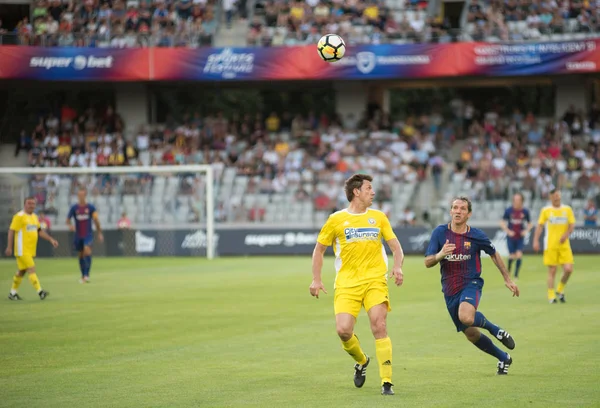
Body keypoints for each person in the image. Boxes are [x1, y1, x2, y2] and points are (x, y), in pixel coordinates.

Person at [310, 173, 404, 396]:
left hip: (375, 280)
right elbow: (319, 250)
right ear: (356, 192)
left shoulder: (379, 217)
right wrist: (316, 279)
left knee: (379, 325)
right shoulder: (336, 220)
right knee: (343, 331)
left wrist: (398, 266)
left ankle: (387, 382)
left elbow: (396, 247)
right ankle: (362, 361)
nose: (373, 192)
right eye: (369, 188)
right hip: (347, 283)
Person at [424, 196, 520, 375]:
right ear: (450, 211)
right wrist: (440, 254)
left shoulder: (476, 235)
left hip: (471, 283)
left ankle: (496, 330)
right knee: (472, 334)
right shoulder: (440, 233)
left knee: (466, 317)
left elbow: (493, 253)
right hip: (450, 290)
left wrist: (507, 279)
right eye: (455, 207)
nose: (458, 211)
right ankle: (503, 358)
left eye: (462, 208)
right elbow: (428, 262)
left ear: (469, 214)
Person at [5, 197, 59, 300]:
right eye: (29, 203)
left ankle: (12, 293)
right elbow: (11, 231)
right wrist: (9, 246)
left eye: (33, 204)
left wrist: (51, 239)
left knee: (22, 271)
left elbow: (39, 231)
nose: (31, 205)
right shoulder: (19, 216)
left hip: (30, 250)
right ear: (25, 204)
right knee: (31, 268)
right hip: (22, 249)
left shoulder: (34, 217)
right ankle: (40, 292)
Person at [532, 189, 575, 303]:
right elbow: (540, 226)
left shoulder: (567, 209)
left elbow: (571, 225)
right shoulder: (546, 210)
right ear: (550, 198)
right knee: (552, 270)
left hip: (564, 245)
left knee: (568, 269)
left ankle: (560, 289)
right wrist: (536, 240)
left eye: (558, 195)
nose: (556, 198)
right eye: (554, 196)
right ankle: (551, 295)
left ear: (560, 196)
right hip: (550, 244)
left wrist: (565, 235)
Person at [67, 188, 104, 283]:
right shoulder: (74, 208)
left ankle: (87, 275)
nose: (81, 197)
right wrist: (70, 226)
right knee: (80, 254)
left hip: (88, 234)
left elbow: (96, 220)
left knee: (87, 251)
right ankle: (83, 275)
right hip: (78, 235)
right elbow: (67, 220)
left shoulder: (91, 207)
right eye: (79, 195)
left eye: (82, 195)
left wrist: (99, 232)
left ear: (85, 195)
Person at [500, 193, 532, 280]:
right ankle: (508, 271)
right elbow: (502, 222)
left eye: (518, 200)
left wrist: (525, 231)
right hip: (511, 237)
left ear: (522, 201)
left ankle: (516, 275)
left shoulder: (525, 211)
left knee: (519, 255)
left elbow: (530, 224)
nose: (516, 201)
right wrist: (508, 231)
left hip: (520, 237)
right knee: (511, 256)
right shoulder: (509, 211)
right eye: (515, 200)